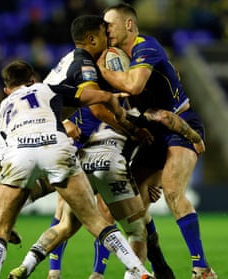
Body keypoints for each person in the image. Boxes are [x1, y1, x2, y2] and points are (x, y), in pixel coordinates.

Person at [0, 59, 154, 279]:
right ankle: (139, 272)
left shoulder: (3, 108)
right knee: (95, 220)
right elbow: (102, 98)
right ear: (33, 80)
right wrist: (121, 113)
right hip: (57, 148)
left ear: (6, 89)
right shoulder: (48, 89)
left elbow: (2, 154)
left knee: (1, 229)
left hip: (19, 153)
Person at [96, 3, 217, 279]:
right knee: (130, 202)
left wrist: (104, 73)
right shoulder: (116, 56)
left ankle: (202, 269)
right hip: (152, 129)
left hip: (180, 123)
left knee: (173, 190)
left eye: (110, 25)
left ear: (128, 25)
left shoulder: (146, 47)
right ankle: (151, 268)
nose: (106, 31)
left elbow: (135, 86)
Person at [40, 15, 153, 279]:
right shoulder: (87, 67)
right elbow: (98, 109)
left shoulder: (85, 65)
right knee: (66, 212)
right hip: (74, 138)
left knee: (101, 212)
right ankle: (54, 272)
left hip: (89, 142)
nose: (109, 38)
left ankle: (95, 274)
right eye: (105, 33)